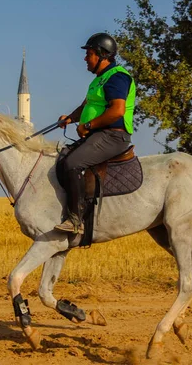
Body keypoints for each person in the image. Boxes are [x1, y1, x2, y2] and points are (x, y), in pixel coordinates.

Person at [55, 32, 136, 234]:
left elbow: (117, 110)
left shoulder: (117, 77)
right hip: (99, 135)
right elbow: (86, 106)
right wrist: (70, 118)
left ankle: (76, 220)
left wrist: (88, 126)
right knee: (62, 157)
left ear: (102, 55)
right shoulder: (99, 80)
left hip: (113, 135)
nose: (85, 58)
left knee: (73, 163)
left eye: (89, 53)